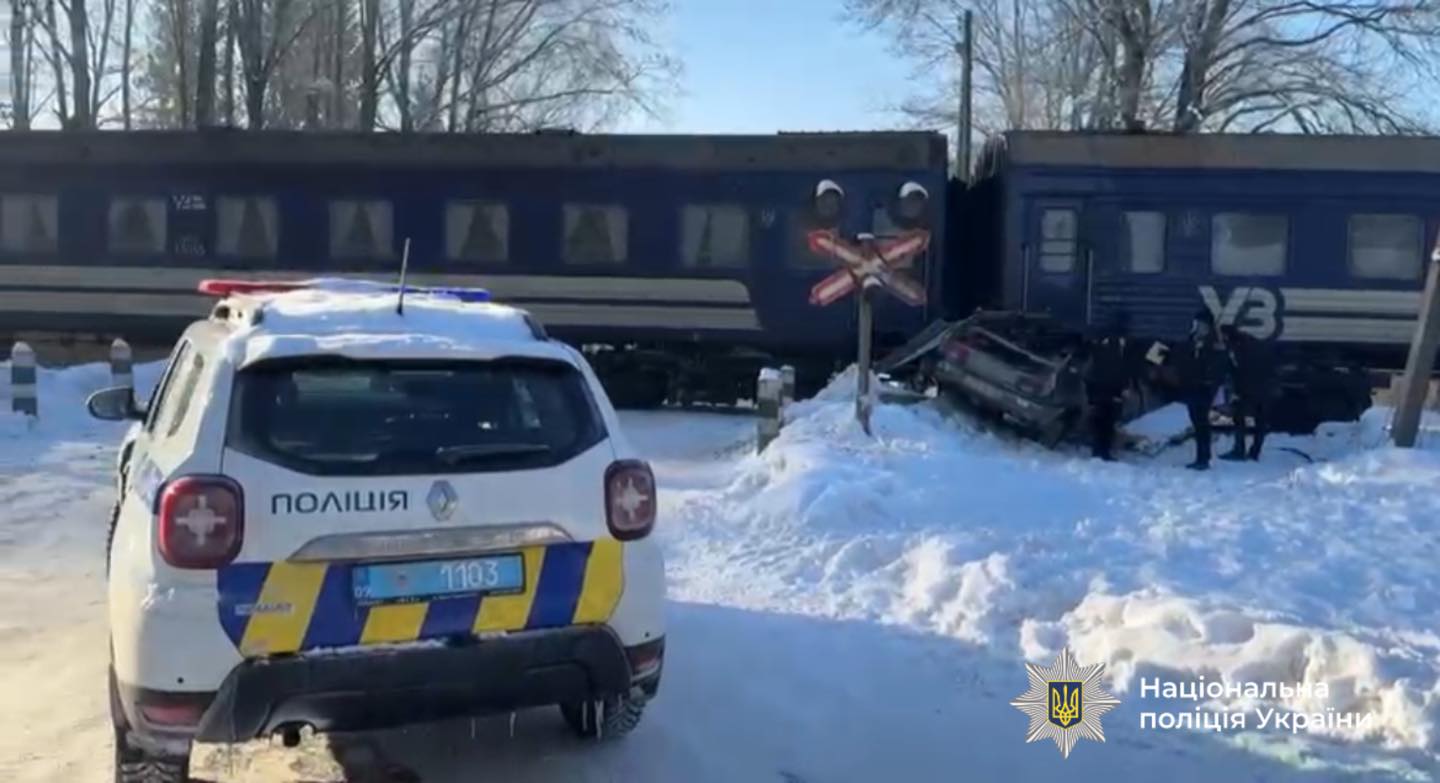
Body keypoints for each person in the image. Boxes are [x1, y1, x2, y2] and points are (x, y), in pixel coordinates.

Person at [1171, 309, 1226, 470]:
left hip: (1204, 388)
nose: (1197, 327)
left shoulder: (1214, 343)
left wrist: (1204, 350)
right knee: (1196, 422)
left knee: (1202, 423)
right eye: (1197, 324)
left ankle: (1203, 458)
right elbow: (1181, 357)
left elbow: (1218, 366)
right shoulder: (1192, 340)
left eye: (1201, 324)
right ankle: (1202, 456)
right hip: (1191, 386)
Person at [1083, 312, 1134, 461]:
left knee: (1105, 420)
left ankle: (1101, 450)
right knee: (1104, 420)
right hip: (1106, 386)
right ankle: (1101, 451)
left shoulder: (1109, 341)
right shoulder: (1110, 342)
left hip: (1107, 386)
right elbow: (1117, 367)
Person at [1220, 324, 1275, 461]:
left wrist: (1236, 390)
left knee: (1239, 418)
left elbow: (1238, 370)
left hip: (1246, 389)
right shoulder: (1254, 342)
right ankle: (1255, 451)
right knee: (1260, 421)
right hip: (1264, 387)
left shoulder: (1236, 348)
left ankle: (1239, 450)